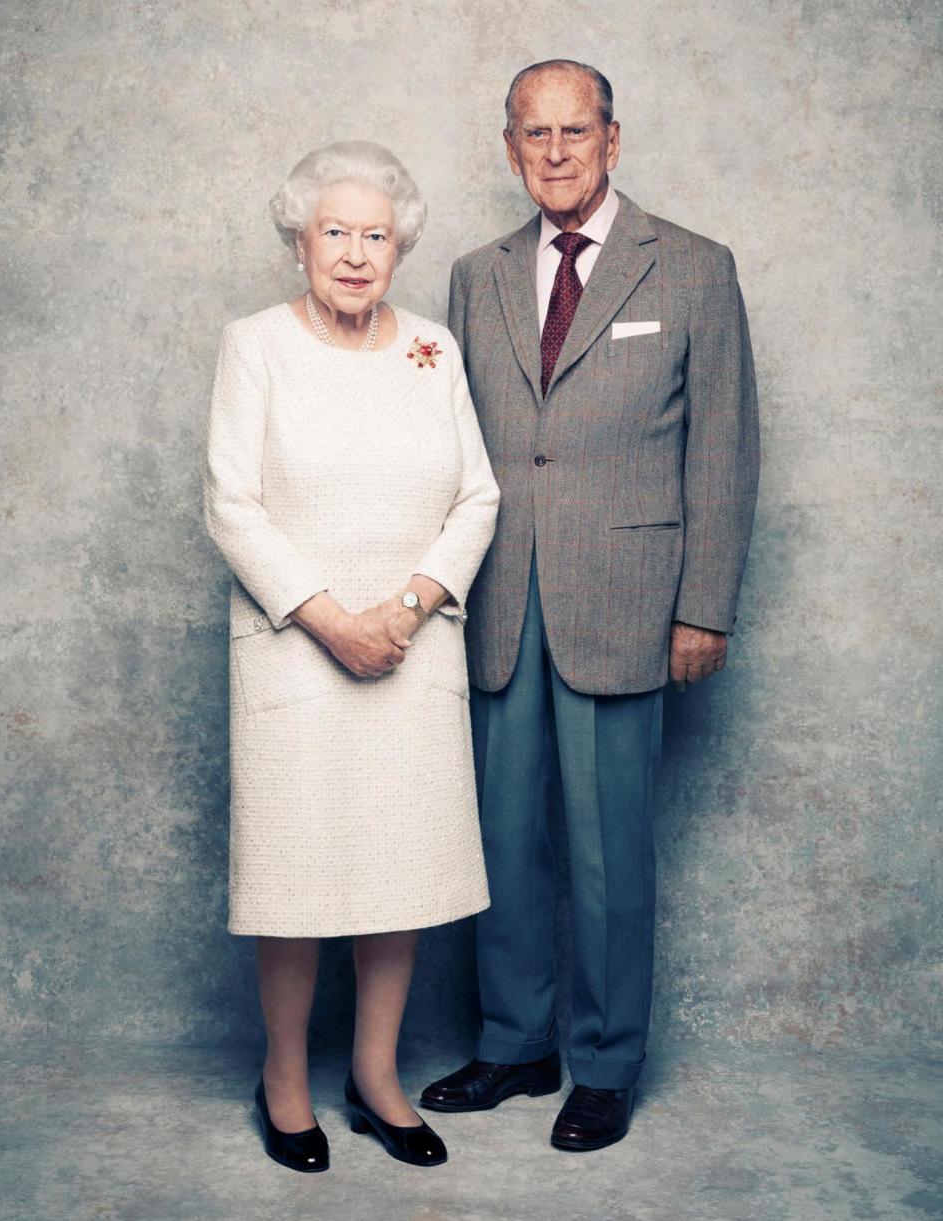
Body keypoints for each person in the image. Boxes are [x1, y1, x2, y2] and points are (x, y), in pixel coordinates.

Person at [421, 59, 760, 1151]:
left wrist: (703, 604)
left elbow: (724, 451)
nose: (556, 152)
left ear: (613, 140)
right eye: (535, 134)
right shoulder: (475, 275)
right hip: (497, 606)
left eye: (576, 132)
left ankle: (607, 1066)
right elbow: (452, 443)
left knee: (610, 853)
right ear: (510, 146)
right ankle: (518, 1044)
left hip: (627, 602)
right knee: (503, 842)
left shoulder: (696, 269)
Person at [202, 140, 500, 1172]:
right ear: (299, 240)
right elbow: (231, 504)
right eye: (337, 232)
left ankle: (377, 1076)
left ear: (400, 247)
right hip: (297, 652)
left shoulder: (433, 349)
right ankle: (285, 1077)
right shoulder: (256, 345)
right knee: (299, 877)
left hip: (411, 652)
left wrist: (407, 610)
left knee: (397, 872)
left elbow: (479, 496)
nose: (357, 253)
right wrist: (333, 620)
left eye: (377, 235)